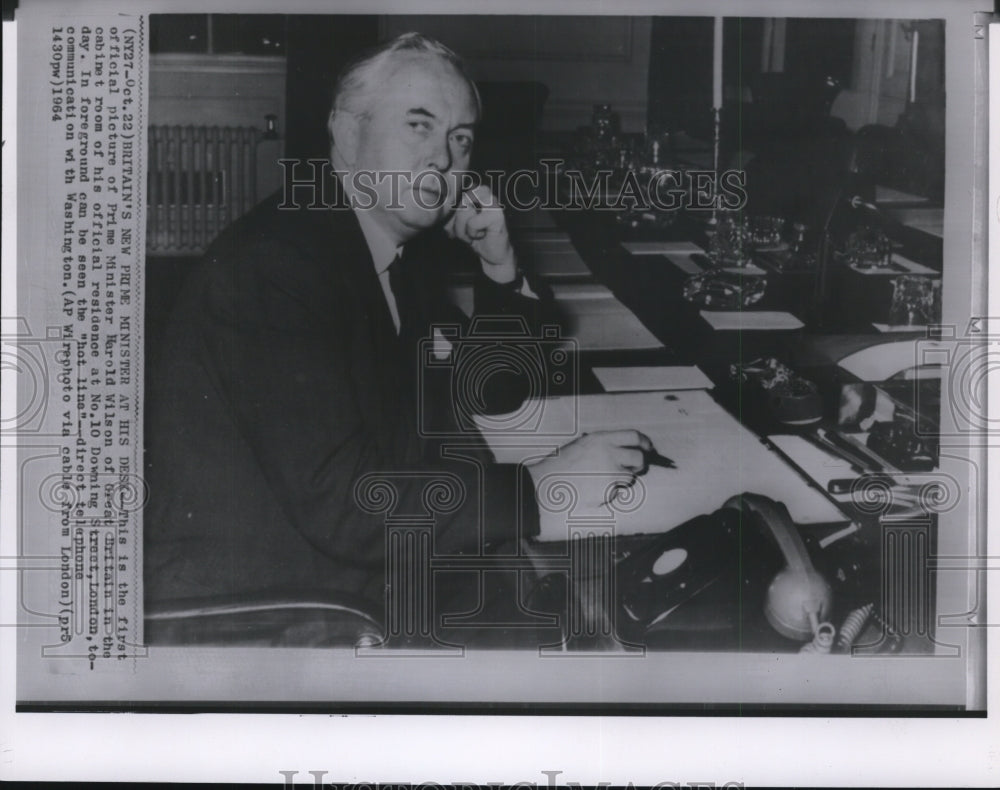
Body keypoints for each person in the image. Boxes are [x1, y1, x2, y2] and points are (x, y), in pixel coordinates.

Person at [144, 33, 652, 635]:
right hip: (278, 603)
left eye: (460, 139)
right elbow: (346, 506)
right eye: (419, 125)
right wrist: (542, 487)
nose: (443, 158)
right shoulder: (279, 265)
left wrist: (499, 264)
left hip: (346, 561)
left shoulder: (378, 242)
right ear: (347, 134)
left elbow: (487, 393)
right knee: (581, 627)